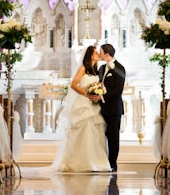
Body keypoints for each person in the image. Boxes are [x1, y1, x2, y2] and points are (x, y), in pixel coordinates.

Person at [50, 45, 111, 173]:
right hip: (83, 103)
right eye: (96, 53)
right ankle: (80, 161)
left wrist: (98, 90)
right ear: (90, 55)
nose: (98, 55)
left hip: (93, 104)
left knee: (95, 132)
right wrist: (86, 94)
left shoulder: (96, 69)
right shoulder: (83, 68)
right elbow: (73, 84)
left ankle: (96, 161)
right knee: (83, 129)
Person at [89, 43, 126, 172]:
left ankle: (112, 164)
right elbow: (100, 84)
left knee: (113, 137)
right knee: (101, 136)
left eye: (101, 52)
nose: (99, 54)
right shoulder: (102, 68)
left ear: (107, 54)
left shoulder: (119, 68)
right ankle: (102, 161)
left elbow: (118, 90)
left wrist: (102, 97)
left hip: (113, 109)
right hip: (101, 108)